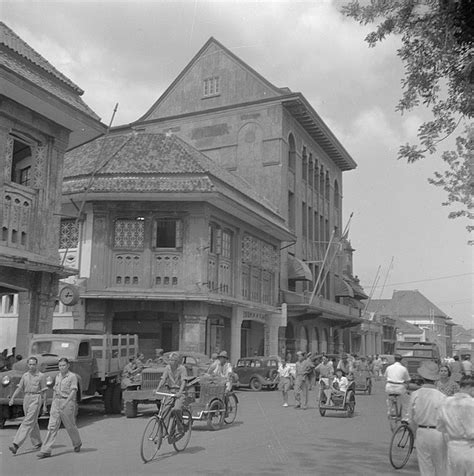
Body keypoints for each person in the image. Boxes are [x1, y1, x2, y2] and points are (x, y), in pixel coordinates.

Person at [405, 361, 447, 476]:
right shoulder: (442, 397)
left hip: (422, 432)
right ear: (435, 379)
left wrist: (415, 432)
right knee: (441, 466)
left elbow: (410, 418)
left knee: (425, 467)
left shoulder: (416, 394)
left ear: (422, 378)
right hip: (438, 433)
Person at [37, 357, 82, 458]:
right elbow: (55, 390)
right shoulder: (57, 376)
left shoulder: (72, 377)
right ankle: (46, 450)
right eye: (60, 366)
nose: (61, 368)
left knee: (70, 425)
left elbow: (73, 391)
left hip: (67, 402)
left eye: (63, 365)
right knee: (52, 426)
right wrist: (50, 404)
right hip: (56, 402)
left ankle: (77, 443)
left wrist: (65, 403)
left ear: (68, 366)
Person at [8, 357, 47, 455]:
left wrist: (45, 405)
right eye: (30, 364)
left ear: (36, 365)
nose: (31, 366)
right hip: (27, 398)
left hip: (36, 398)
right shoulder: (25, 376)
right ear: (27, 365)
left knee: (27, 421)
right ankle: (37, 442)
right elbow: (19, 387)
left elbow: (44, 392)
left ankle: (16, 444)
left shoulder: (41, 376)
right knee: (32, 421)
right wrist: (13, 398)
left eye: (33, 364)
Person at [437, 375, 474, 476]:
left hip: (453, 448)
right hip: (471, 448)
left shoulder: (445, 402)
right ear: (472, 388)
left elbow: (440, 427)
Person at [156, 352, 187, 436]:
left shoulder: (182, 368)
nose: (170, 362)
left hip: (179, 392)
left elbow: (183, 381)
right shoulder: (167, 368)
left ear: (177, 361)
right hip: (170, 392)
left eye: (172, 360)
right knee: (165, 410)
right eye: (169, 360)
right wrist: (157, 389)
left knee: (177, 409)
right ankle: (164, 431)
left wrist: (180, 392)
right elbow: (163, 379)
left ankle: (180, 427)